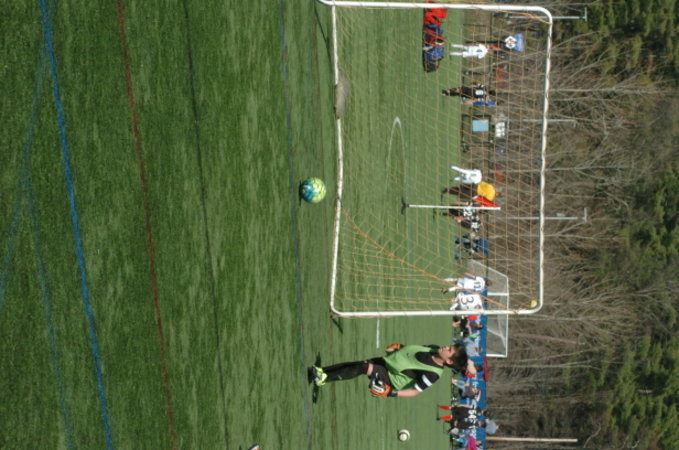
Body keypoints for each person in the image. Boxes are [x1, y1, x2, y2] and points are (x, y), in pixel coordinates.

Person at [308, 344, 468, 398]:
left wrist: (391, 393)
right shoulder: (433, 348)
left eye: (449, 350)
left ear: (449, 361)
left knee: (364, 367)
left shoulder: (433, 374)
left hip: (392, 378)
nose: (446, 347)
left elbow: (415, 392)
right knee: (360, 364)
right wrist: (400, 347)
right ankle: (322, 372)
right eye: (449, 346)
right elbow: (414, 352)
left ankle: (323, 378)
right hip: (390, 363)